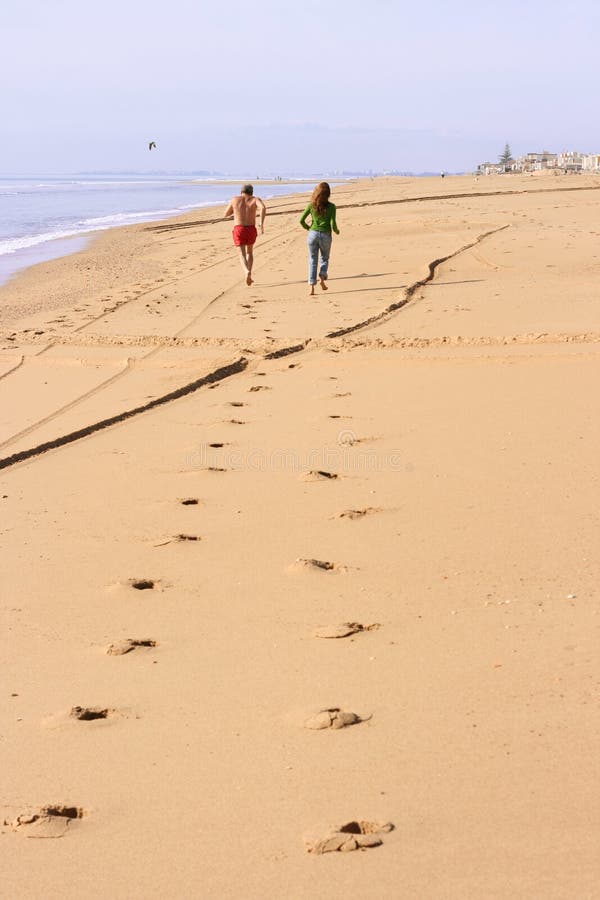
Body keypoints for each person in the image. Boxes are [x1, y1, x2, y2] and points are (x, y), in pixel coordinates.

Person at [299, 182, 340, 296]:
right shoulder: (332, 206)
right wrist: (336, 231)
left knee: (312, 260)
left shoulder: (311, 205)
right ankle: (322, 279)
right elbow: (333, 223)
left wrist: (309, 229)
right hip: (326, 235)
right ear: (328, 194)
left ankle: (312, 287)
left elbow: (301, 220)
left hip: (313, 234)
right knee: (325, 258)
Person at [224, 185, 266, 285]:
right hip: (251, 228)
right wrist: (261, 223)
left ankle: (246, 271)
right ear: (252, 192)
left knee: (241, 253)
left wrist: (236, 211)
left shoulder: (235, 199)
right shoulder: (255, 199)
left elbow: (225, 214)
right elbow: (263, 208)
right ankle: (249, 273)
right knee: (250, 252)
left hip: (239, 228)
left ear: (241, 191)